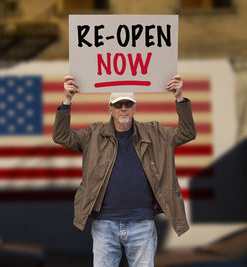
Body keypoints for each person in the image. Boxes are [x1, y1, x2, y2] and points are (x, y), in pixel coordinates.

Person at [52, 75, 196, 267]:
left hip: (142, 223)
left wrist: (179, 98)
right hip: (105, 224)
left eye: (128, 104)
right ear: (109, 108)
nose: (123, 109)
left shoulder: (155, 133)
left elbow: (187, 133)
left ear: (135, 108)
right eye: (118, 105)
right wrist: (67, 100)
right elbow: (61, 136)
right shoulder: (93, 135)